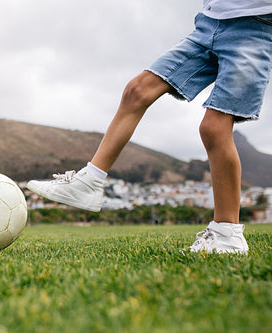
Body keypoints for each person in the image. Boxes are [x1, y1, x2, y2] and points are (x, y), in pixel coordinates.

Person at [27, 0, 272, 254]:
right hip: (209, 22)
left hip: (255, 26)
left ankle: (227, 233)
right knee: (137, 90)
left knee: (213, 128)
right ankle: (89, 183)